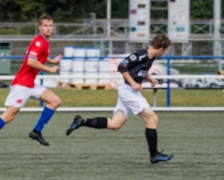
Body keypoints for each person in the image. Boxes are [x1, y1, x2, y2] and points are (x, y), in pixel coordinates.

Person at [65, 34, 174, 164]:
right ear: (161, 49)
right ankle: (154, 154)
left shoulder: (150, 57)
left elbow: (142, 70)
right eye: (165, 50)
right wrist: (133, 83)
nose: (164, 53)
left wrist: (150, 79)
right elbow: (122, 67)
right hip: (129, 91)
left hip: (129, 91)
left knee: (115, 125)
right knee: (152, 118)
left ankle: (81, 122)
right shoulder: (140, 54)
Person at [0, 13, 62, 156]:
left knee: (55, 101)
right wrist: (49, 69)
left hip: (30, 84)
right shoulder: (38, 42)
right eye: (45, 26)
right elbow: (31, 62)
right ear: (40, 27)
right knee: (9, 116)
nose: (48, 28)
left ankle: (36, 132)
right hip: (22, 84)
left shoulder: (45, 42)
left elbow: (41, 57)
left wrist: (53, 60)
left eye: (50, 25)